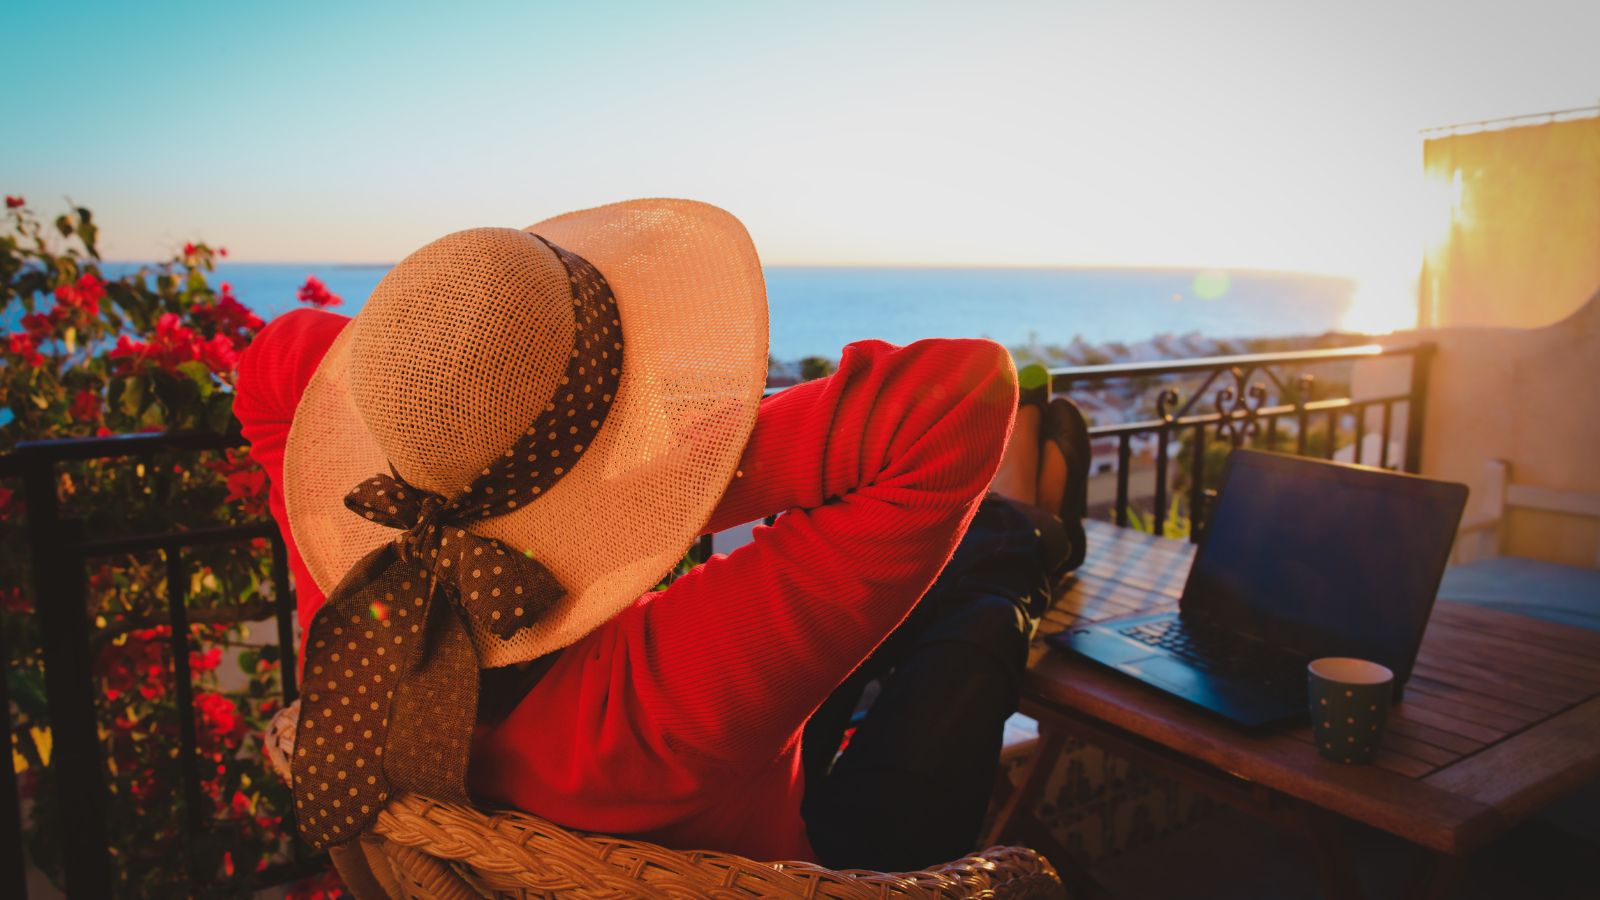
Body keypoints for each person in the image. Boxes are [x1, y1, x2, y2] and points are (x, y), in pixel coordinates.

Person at [236, 199, 1088, 874]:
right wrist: (646, 489)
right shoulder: (652, 699)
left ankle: (1016, 532)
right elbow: (959, 397)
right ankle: (1027, 531)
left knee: (910, 612)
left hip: (686, 769)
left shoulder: (353, 608)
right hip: (825, 866)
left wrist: (451, 410)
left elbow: (268, 367)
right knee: (975, 619)